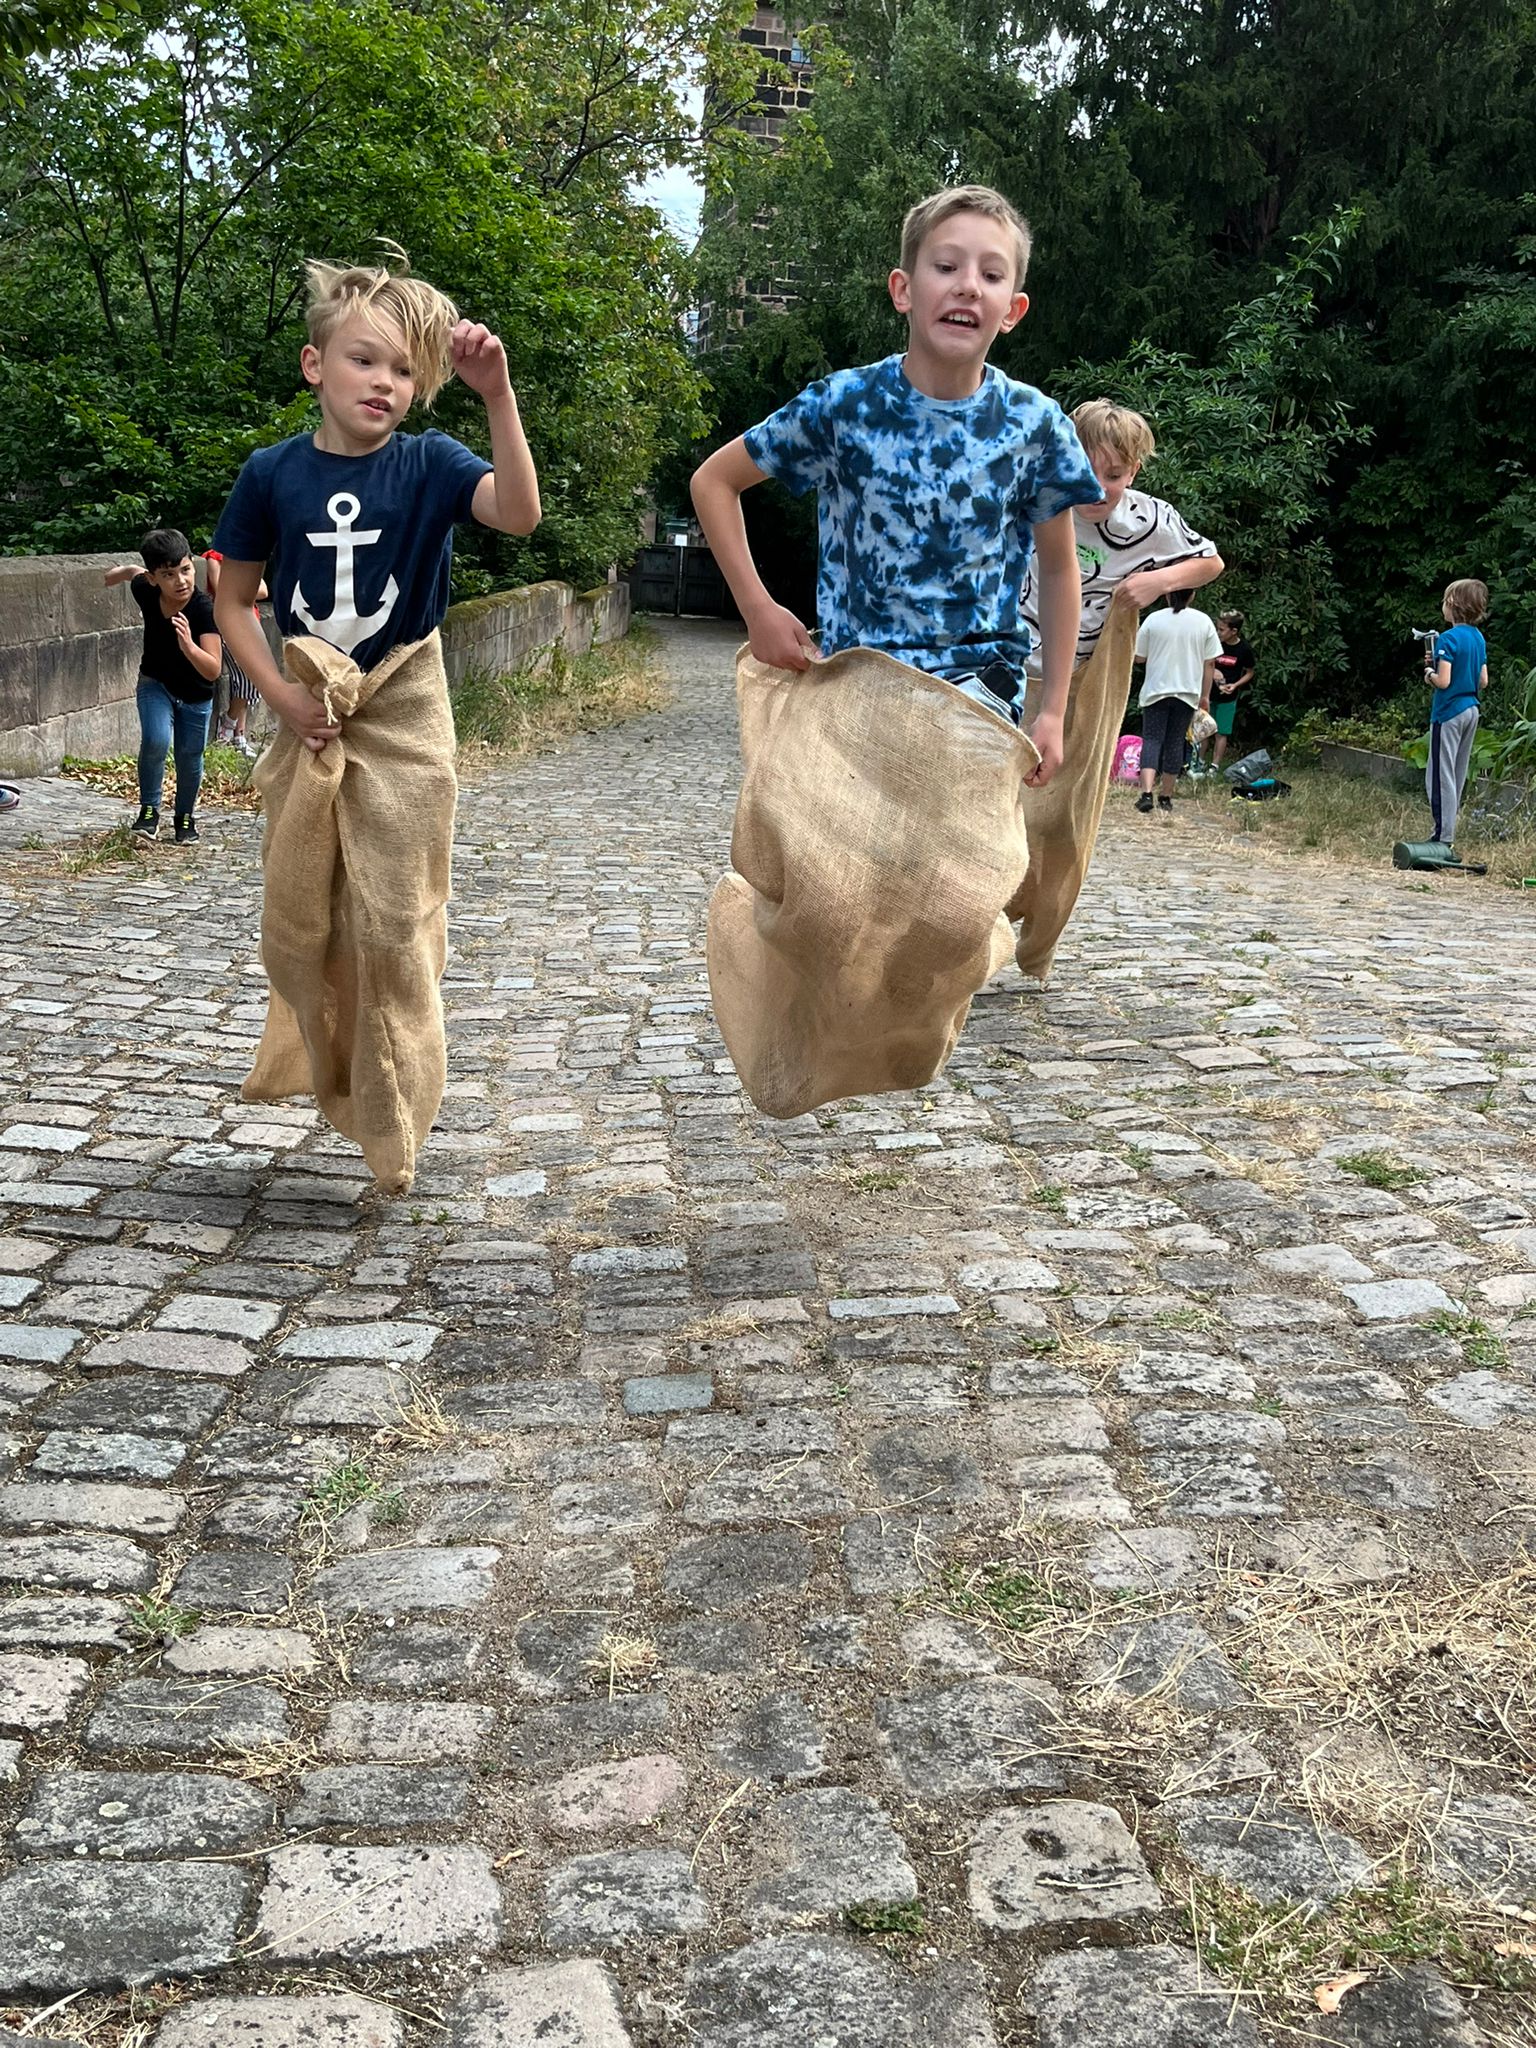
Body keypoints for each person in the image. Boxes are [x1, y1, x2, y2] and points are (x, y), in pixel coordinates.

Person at [689, 184, 1102, 781]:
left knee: (956, 874)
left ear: (1012, 309)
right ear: (903, 290)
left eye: (991, 274)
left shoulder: (1034, 425)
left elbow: (1061, 569)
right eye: (945, 265)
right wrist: (758, 610)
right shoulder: (844, 406)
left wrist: (1054, 710)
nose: (967, 284)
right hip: (853, 694)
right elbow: (713, 482)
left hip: (979, 702)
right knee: (836, 874)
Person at [1020, 400, 1224, 674]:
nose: (1097, 488)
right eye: (1086, 471)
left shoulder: (1150, 519)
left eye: (1113, 475)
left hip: (1082, 677)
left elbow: (1211, 563)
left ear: (1133, 473)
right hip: (1005, 661)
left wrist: (1157, 581)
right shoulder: (1035, 498)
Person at [104, 528, 223, 844]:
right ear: (155, 578)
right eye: (169, 575)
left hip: (197, 695)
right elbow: (136, 573)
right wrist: (120, 573)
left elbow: (213, 669)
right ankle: (148, 812)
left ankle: (184, 816)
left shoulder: (203, 609)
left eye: (186, 569)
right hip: (155, 683)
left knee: (189, 756)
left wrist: (189, 647)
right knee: (156, 740)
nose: (181, 580)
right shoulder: (146, 590)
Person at [1132, 589, 1219, 813]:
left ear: (1167, 596)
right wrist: (1205, 696)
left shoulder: (1153, 619)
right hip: (1187, 693)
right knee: (1176, 741)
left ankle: (1146, 793)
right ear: (1192, 595)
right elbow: (1209, 664)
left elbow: (1139, 658)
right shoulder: (1203, 622)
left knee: (1152, 740)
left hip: (1156, 691)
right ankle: (1166, 796)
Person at [1424, 577, 1488, 848]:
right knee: (1458, 772)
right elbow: (1483, 681)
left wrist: (1429, 673)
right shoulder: (1478, 637)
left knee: (1440, 775)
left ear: (1453, 606)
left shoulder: (1447, 639)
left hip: (1448, 712)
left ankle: (1442, 836)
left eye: (1445, 602)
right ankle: (1448, 832)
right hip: (1471, 710)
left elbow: (1444, 682)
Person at [204, 550, 267, 757]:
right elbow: (222, 589)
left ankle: (238, 734)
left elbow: (264, 591)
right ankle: (228, 724)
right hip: (228, 625)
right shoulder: (214, 557)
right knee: (251, 677)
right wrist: (247, 589)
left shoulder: (248, 560)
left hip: (251, 624)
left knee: (245, 680)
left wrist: (238, 590)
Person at [1199, 609, 1255, 772]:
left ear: (1234, 631)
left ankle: (1214, 766)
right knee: (1203, 730)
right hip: (1208, 694)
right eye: (1217, 628)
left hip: (1227, 698)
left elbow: (1250, 671)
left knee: (1221, 732)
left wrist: (1235, 685)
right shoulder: (1214, 643)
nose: (1218, 632)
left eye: (1222, 630)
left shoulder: (1244, 649)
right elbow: (1204, 662)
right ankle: (1199, 761)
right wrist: (1211, 672)